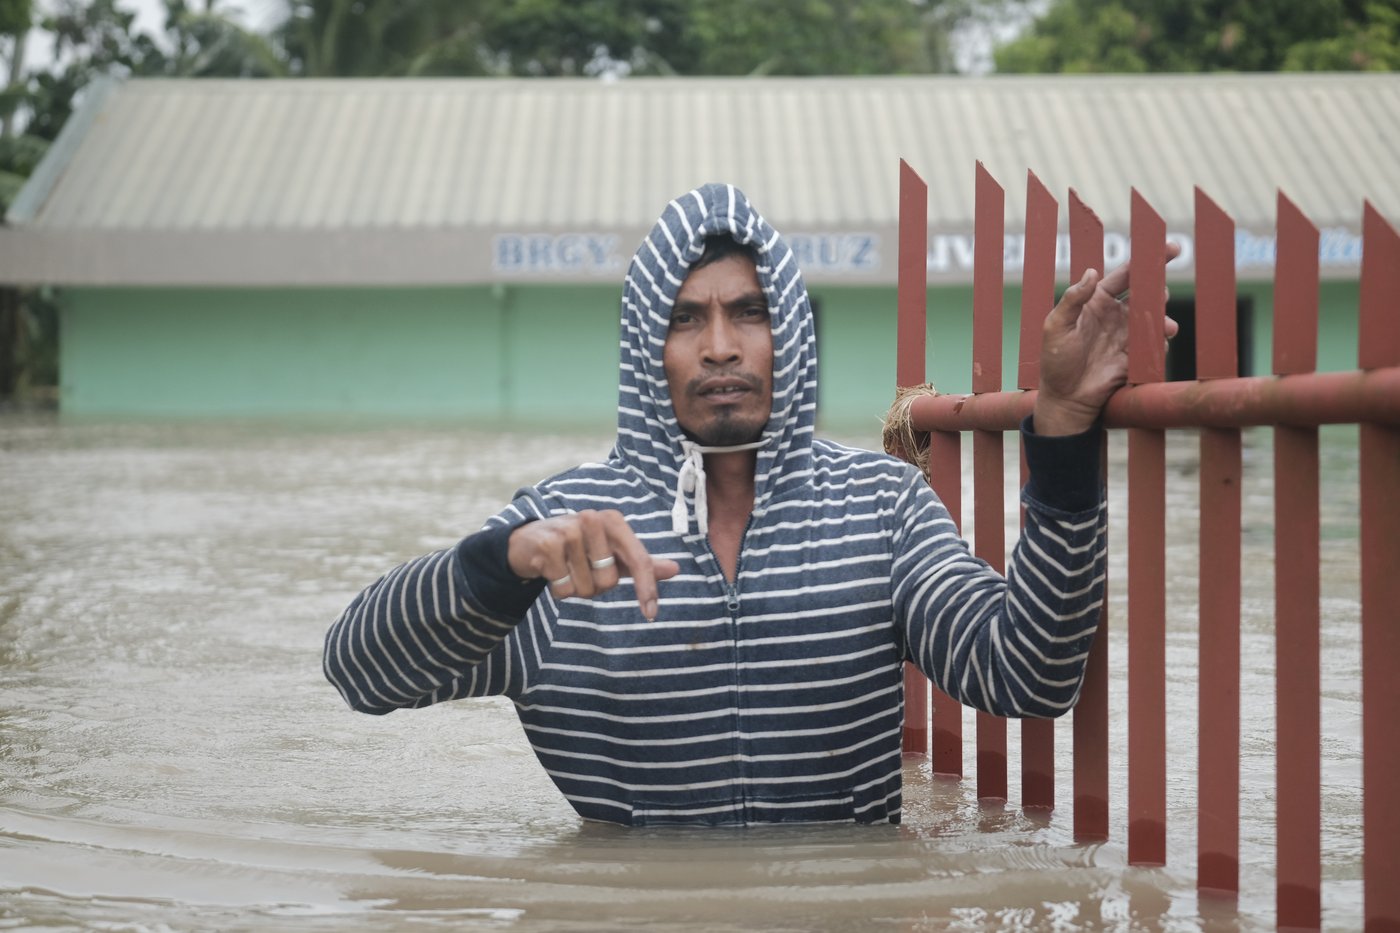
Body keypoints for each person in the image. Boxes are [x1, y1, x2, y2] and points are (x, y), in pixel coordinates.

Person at [324, 183, 1177, 827]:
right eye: (686, 318)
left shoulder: (880, 507)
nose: (722, 346)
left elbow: (1030, 671)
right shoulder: (563, 532)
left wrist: (1061, 430)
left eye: (750, 313)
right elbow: (358, 672)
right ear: (645, 349)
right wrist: (502, 562)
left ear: (792, 334)